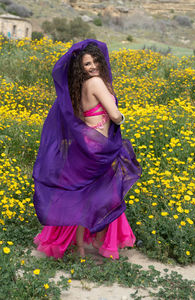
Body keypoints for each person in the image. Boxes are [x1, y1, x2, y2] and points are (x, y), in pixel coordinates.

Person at [33, 39, 142, 259]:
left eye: (94, 62)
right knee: (107, 195)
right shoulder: (96, 83)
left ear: (100, 60)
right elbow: (114, 115)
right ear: (81, 68)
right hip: (98, 150)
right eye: (86, 64)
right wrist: (122, 117)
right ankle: (103, 241)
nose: (92, 67)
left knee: (82, 197)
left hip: (84, 147)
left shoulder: (80, 86)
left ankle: (80, 245)